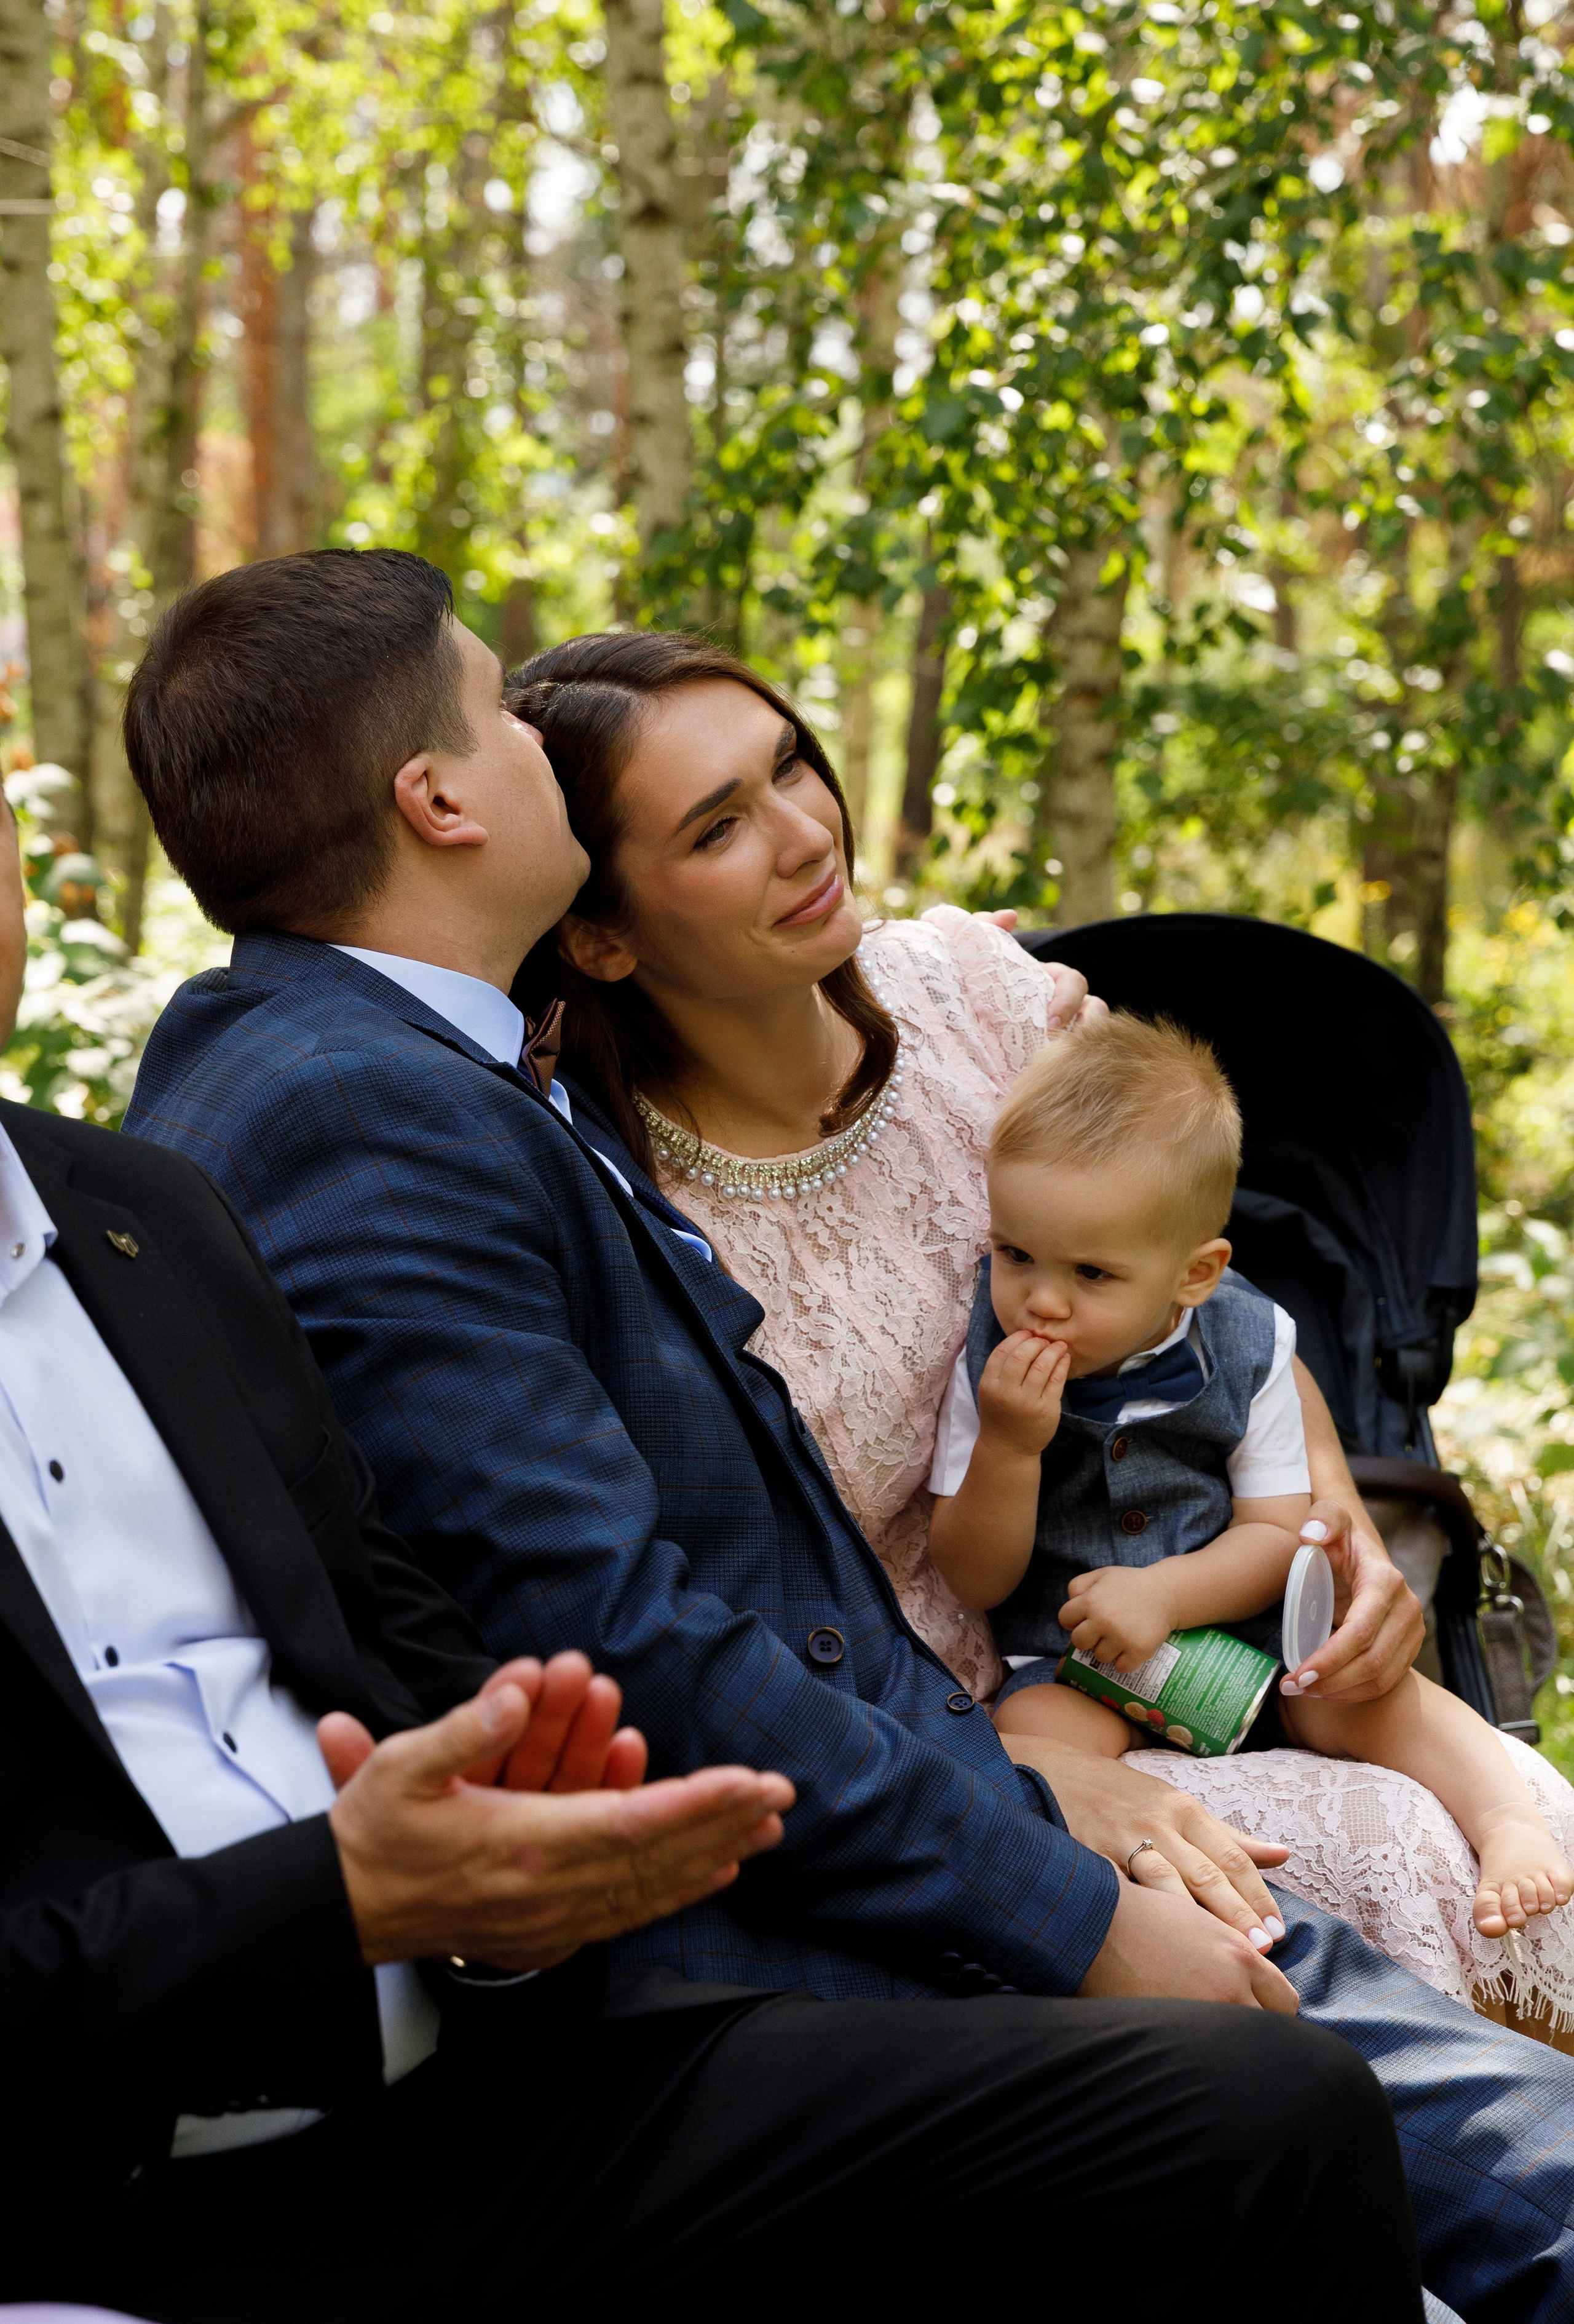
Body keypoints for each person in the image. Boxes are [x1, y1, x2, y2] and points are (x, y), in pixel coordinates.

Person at [117, 551, 1570, 2319]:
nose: (524, 735)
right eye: (500, 709)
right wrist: (1065, 1905)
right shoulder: (359, 1107)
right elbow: (617, 1623)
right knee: (1453, 2133)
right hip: (783, 1930)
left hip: (954, 1791)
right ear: (435, 796)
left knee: (1484, 2117)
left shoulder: (423, 1066)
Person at [506, 624, 1574, 2031]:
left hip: (1194, 1619)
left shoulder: (970, 998)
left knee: (1496, 1835)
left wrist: (1335, 1534)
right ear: (599, 932)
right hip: (958, 1745)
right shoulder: (596, 1191)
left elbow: (1215, 1310)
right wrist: (1019, 1782)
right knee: (1379, 1853)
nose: (798, 832)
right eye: (716, 828)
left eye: (787, 768)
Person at [926, 1011, 1574, 1941]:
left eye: (1094, 1273)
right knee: (1020, 1753)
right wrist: (1008, 1448)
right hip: (1076, 1664)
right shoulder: (989, 1362)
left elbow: (1278, 1531)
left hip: (1245, 1642)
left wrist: (1166, 1594)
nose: (1042, 1298)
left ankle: (1506, 1817)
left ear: (1196, 1274)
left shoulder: (1246, 1341)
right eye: (1017, 1253)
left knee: (1367, 1698)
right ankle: (1123, 1926)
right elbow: (973, 1578)